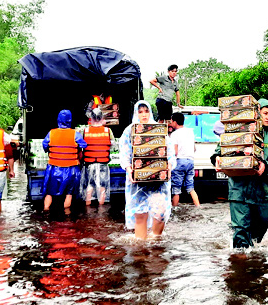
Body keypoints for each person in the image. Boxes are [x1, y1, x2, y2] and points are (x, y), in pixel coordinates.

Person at [211, 98, 268, 249]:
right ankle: (240, 263)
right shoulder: (239, 129)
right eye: (265, 113)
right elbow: (220, 151)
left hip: (261, 190)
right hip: (239, 188)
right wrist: (217, 158)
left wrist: (265, 166)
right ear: (257, 113)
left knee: (263, 224)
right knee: (241, 231)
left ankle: (251, 253)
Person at [119, 100, 176, 240]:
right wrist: (128, 168)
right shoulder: (130, 131)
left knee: (160, 212)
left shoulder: (158, 130)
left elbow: (169, 152)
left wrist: (169, 166)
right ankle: (141, 248)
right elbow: (125, 152)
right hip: (137, 182)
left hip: (158, 181)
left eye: (146, 111)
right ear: (136, 114)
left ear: (150, 112)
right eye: (140, 112)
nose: (143, 115)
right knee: (140, 213)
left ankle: (156, 240)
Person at [41, 109, 87, 212]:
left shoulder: (51, 133)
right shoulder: (75, 134)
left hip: (54, 168)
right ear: (70, 121)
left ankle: (46, 210)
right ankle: (67, 216)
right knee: (69, 194)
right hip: (71, 169)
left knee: (49, 192)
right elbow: (84, 145)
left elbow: (44, 145)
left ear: (58, 120)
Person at [81, 108, 116, 206]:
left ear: (91, 117)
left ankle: (87, 207)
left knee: (89, 186)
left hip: (89, 164)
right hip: (102, 165)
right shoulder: (108, 131)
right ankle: (101, 210)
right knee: (102, 188)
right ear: (102, 118)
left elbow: (81, 145)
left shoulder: (85, 131)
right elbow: (114, 146)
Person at [170, 112, 200, 206]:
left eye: (171, 121)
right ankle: (198, 207)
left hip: (179, 162)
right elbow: (194, 148)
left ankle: (174, 210)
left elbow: (174, 152)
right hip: (190, 161)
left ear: (175, 122)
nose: (171, 123)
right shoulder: (190, 131)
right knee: (191, 188)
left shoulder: (174, 135)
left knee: (176, 190)